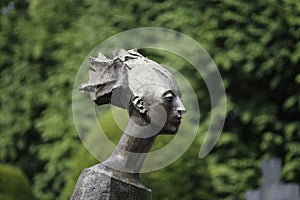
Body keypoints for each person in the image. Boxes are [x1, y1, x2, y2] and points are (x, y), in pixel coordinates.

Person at [71, 49, 186, 200]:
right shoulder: (99, 179)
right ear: (140, 104)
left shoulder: (139, 189)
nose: (182, 108)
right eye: (169, 99)